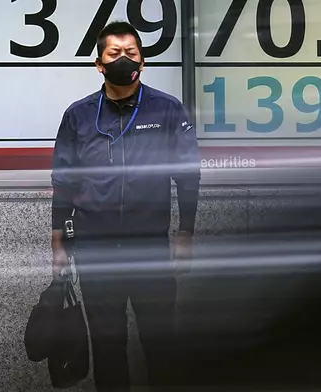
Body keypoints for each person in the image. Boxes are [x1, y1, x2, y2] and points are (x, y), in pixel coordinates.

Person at [50, 21, 201, 391]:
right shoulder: (79, 115)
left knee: (160, 340)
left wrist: (185, 233)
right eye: (114, 54)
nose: (123, 60)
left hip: (149, 245)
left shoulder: (167, 109)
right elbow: (64, 178)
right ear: (98, 64)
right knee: (107, 344)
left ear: (143, 62)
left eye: (130, 53)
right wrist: (57, 239)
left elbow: (187, 174)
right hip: (95, 247)